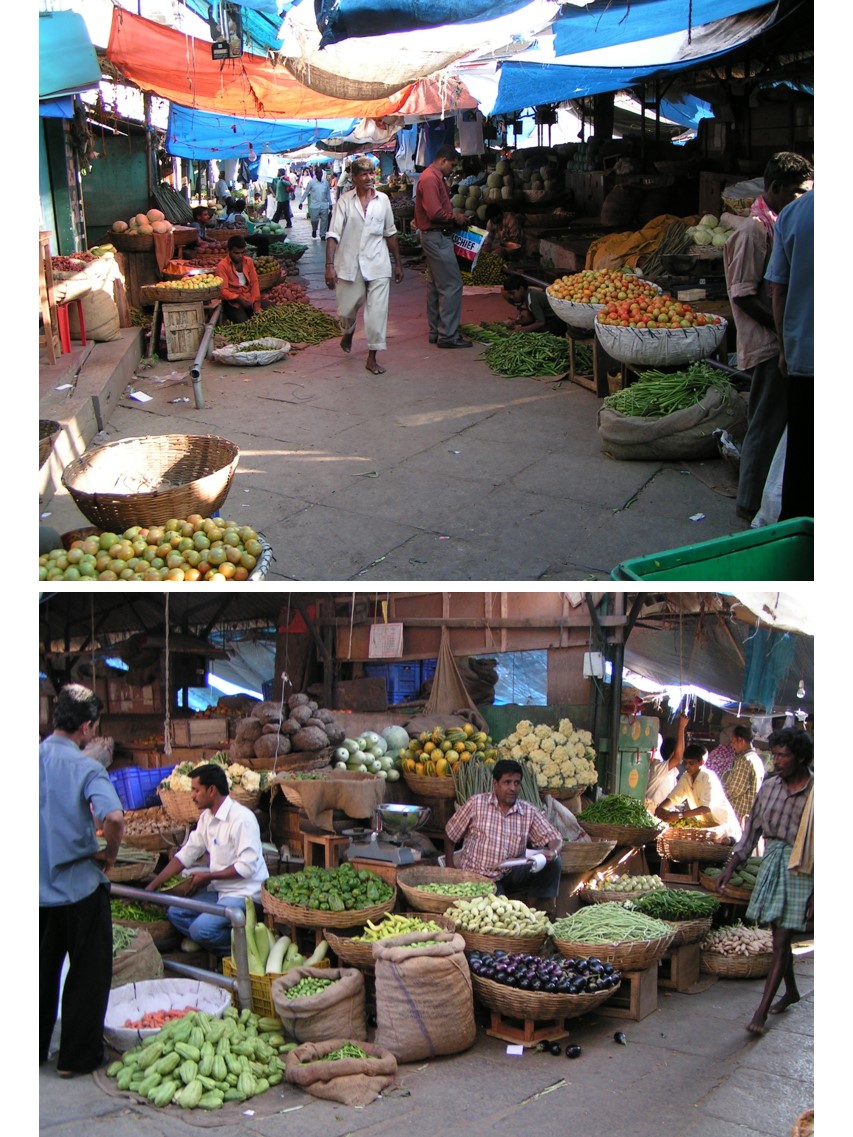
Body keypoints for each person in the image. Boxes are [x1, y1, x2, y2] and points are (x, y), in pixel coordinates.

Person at [721, 153, 813, 521]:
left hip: (783, 341)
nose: (800, 200)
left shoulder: (777, 222)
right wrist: (784, 329)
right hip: (767, 344)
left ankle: (762, 499)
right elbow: (743, 294)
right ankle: (747, 505)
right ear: (774, 189)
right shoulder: (753, 231)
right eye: (795, 193)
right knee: (763, 424)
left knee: (776, 424)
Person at [40, 683, 125, 1077]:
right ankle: (74, 1060)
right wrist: (108, 854)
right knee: (87, 976)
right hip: (79, 891)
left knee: (38, 974)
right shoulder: (86, 767)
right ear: (87, 728)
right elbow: (114, 818)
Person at [715, 729, 813, 1036]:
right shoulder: (769, 787)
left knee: (782, 940)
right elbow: (751, 832)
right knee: (776, 935)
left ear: (802, 758)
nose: (778, 761)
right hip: (772, 863)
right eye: (776, 755)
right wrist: (730, 867)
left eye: (785, 756)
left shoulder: (816, 794)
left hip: (802, 869)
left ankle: (761, 1012)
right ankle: (792, 991)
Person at [146, 763, 268, 955]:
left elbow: (246, 868)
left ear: (211, 790)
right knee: (175, 913)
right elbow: (185, 855)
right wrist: (153, 887)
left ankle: (249, 950)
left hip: (245, 895)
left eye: (196, 790)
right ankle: (220, 939)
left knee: (200, 929)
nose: (192, 795)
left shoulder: (242, 819)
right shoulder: (206, 819)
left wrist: (208, 877)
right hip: (220, 892)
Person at [445, 759, 563, 913]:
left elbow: (554, 837)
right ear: (495, 784)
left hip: (510, 872)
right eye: (507, 782)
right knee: (499, 910)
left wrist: (553, 852)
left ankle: (532, 908)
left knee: (554, 862)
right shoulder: (477, 804)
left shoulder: (528, 811)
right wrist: (450, 867)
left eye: (516, 783)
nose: (512, 788)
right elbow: (450, 834)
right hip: (480, 876)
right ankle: (515, 908)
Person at [324, 158, 404, 376]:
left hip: (378, 263)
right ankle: (348, 331)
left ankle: (372, 357)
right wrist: (329, 266)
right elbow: (332, 235)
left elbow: (391, 232)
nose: (369, 178)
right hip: (350, 263)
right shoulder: (344, 201)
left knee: (377, 312)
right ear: (354, 178)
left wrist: (398, 263)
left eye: (372, 173)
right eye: (364, 174)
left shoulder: (383, 200)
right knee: (347, 309)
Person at [765, 188, 814, 520]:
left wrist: (784, 347)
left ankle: (797, 539)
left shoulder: (795, 214)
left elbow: (777, 290)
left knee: (803, 456)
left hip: (805, 355)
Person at [413, 144, 472, 349]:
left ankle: (436, 330)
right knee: (452, 285)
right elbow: (435, 214)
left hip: (435, 237)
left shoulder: (434, 177)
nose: (453, 170)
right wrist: (455, 217)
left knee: (436, 285)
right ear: (444, 160)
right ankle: (447, 335)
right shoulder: (430, 178)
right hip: (436, 237)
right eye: (452, 166)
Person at [655, 742, 742, 841]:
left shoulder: (708, 777)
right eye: (686, 763)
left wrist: (679, 815)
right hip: (706, 829)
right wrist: (660, 808)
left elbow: (705, 809)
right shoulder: (686, 777)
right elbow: (673, 797)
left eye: (691, 763)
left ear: (701, 762)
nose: (687, 766)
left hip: (724, 829)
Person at [722, 725, 766, 826]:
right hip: (749, 815)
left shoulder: (744, 760)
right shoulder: (756, 759)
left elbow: (734, 789)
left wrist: (718, 797)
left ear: (740, 740)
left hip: (739, 816)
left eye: (733, 742)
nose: (732, 746)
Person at [644, 712, 688, 813]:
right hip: (652, 812)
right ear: (673, 753)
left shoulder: (672, 772)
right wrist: (681, 728)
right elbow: (677, 757)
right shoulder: (658, 768)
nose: (682, 758)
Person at [500, 273, 566, 336]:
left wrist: (520, 330)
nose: (511, 297)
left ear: (521, 289)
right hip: (548, 319)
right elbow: (530, 318)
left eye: (512, 293)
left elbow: (541, 322)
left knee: (530, 332)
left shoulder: (532, 297)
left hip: (556, 322)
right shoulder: (528, 294)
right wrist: (516, 322)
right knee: (526, 327)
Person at [216, 235, 261, 324]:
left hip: (248, 297)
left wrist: (256, 303)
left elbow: (254, 283)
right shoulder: (222, 266)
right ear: (229, 251)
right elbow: (222, 290)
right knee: (244, 323)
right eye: (236, 253)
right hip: (232, 302)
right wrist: (238, 297)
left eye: (242, 252)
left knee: (270, 311)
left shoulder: (248, 261)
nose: (240, 256)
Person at [299, 166, 333, 239]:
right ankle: (314, 229)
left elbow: (328, 194)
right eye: (318, 173)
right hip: (314, 205)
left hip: (324, 205)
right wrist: (301, 202)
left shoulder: (325, 183)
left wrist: (330, 203)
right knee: (314, 220)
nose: (320, 174)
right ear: (316, 174)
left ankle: (322, 234)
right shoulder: (311, 183)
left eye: (321, 173)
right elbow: (306, 192)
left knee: (324, 220)